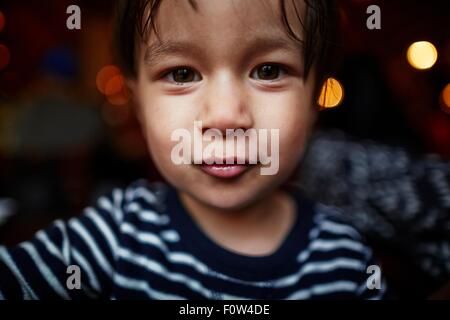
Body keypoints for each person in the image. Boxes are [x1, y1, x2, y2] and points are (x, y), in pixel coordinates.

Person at [0, 0, 387, 299]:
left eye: (268, 70)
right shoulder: (116, 234)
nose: (224, 116)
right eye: (182, 74)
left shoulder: (347, 258)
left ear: (315, 98)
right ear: (139, 103)